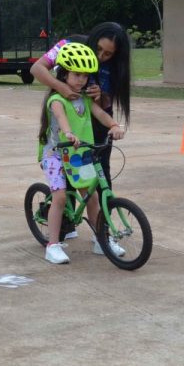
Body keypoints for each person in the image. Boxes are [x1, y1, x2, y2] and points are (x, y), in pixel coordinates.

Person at [35, 42, 126, 265]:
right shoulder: (56, 99)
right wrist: (69, 134)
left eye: (85, 76)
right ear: (64, 74)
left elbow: (101, 114)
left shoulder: (85, 99)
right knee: (60, 196)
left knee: (93, 196)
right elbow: (63, 119)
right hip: (56, 154)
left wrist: (114, 125)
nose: (81, 80)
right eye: (77, 75)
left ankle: (100, 240)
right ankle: (53, 245)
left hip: (79, 154)